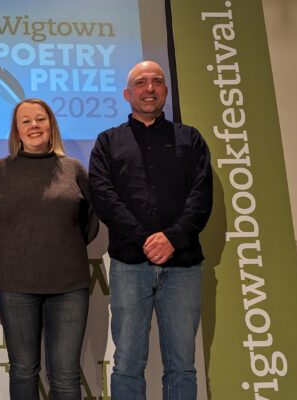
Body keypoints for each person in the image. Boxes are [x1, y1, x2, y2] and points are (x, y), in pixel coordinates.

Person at [88, 60, 213, 399]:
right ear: (128, 94)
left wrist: (172, 238)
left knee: (182, 365)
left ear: (165, 91)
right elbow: (104, 198)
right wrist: (146, 239)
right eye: (141, 83)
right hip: (130, 264)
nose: (149, 89)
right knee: (127, 362)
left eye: (156, 82)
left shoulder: (191, 139)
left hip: (183, 265)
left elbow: (201, 196)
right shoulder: (107, 142)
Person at [0, 98, 99, 399]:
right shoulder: (0, 171)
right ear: (16, 131)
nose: (34, 126)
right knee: (23, 370)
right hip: (15, 285)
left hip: (69, 285)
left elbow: (89, 223)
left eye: (40, 119)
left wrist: (59, 245)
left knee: (66, 375)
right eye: (26, 121)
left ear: (51, 125)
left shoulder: (73, 170)